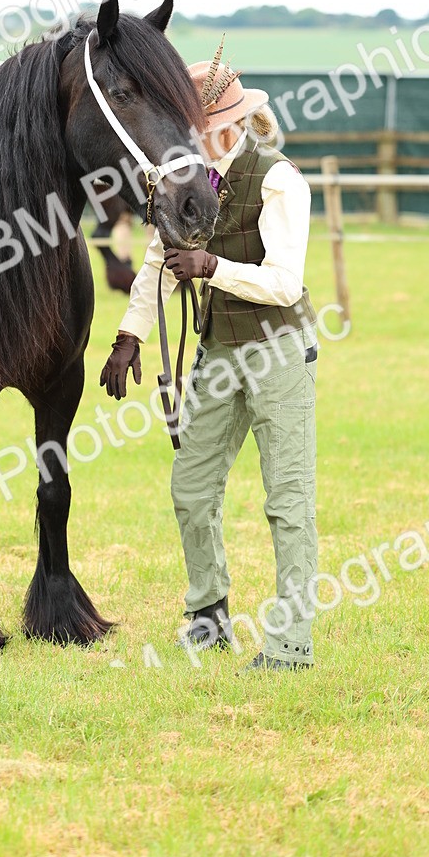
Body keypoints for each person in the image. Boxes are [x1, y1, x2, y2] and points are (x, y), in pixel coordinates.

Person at [100, 43, 318, 671]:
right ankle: (207, 615)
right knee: (192, 488)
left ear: (228, 125)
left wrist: (212, 266)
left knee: (287, 499)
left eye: (200, 132)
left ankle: (292, 642)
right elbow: (156, 266)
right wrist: (129, 336)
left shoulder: (278, 180)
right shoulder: (185, 183)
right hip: (218, 353)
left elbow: (285, 284)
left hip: (278, 352)